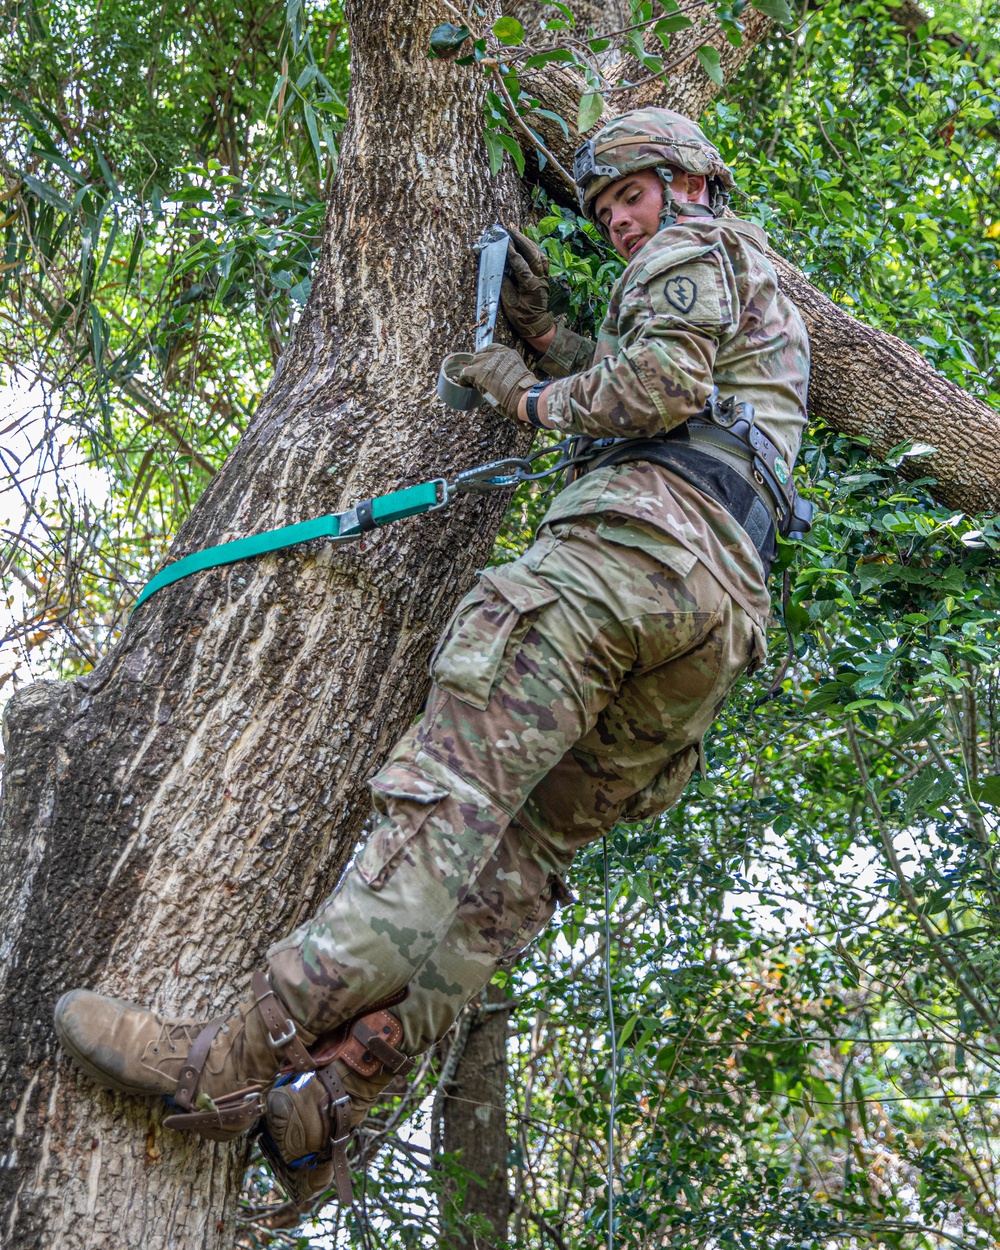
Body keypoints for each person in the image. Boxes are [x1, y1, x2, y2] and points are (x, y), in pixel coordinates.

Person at [54, 107, 810, 1210]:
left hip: (622, 561)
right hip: (716, 615)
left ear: (690, 179)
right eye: (602, 211)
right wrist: (552, 341)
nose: (616, 224)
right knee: (516, 865)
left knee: (445, 804)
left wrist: (522, 392)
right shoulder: (766, 300)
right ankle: (333, 1097)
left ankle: (228, 1065)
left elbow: (656, 392)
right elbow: (683, 400)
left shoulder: (689, 246)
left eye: (628, 196)